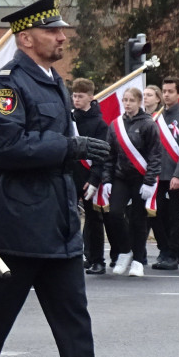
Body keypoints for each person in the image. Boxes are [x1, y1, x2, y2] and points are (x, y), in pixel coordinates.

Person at [0, 0, 143, 357]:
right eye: (52, 31)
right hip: (17, 220)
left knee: (74, 319)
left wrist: (79, 160)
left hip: (58, 218)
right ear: (26, 38)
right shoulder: (6, 85)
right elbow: (4, 147)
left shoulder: (54, 81)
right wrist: (69, 147)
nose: (62, 36)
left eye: (61, 30)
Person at [102, 86, 161, 277]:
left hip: (141, 178)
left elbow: (155, 155)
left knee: (138, 219)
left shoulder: (148, 124)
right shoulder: (115, 125)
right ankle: (125, 251)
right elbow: (109, 155)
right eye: (125, 100)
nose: (127, 104)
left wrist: (150, 181)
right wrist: (107, 179)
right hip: (121, 177)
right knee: (115, 214)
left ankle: (138, 260)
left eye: (131, 100)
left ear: (139, 102)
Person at [150, 76, 179, 270]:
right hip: (157, 175)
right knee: (156, 215)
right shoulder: (157, 118)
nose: (166, 95)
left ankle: (172, 254)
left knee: (174, 217)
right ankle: (171, 249)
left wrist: (178, 176)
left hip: (174, 176)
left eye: (170, 91)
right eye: (164, 91)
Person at [71, 79, 110, 275]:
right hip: (70, 175)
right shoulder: (70, 119)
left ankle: (98, 259)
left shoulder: (99, 123)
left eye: (80, 96)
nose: (76, 99)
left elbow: (101, 154)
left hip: (89, 177)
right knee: (69, 218)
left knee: (94, 220)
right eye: (74, 96)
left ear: (90, 97)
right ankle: (80, 255)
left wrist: (95, 180)